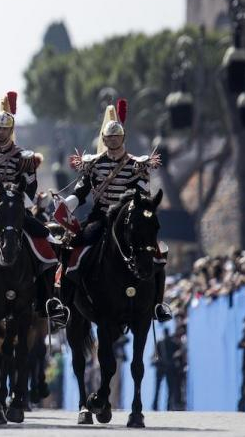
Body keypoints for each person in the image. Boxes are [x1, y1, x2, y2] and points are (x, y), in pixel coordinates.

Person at [53, 98, 172, 323]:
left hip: (128, 218)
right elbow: (81, 191)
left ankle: (158, 304)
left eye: (117, 136)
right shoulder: (94, 164)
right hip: (100, 217)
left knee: (156, 253)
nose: (113, 140)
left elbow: (142, 193)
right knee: (73, 247)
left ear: (123, 138)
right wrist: (66, 205)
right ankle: (64, 304)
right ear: (104, 139)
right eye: (109, 137)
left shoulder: (137, 164)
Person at [0, 91, 68, 328]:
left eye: (4, 129)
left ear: (11, 129)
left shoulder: (24, 157)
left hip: (15, 207)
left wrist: (21, 204)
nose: (0, 133)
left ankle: (48, 300)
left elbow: (31, 185)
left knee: (47, 241)